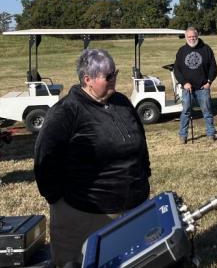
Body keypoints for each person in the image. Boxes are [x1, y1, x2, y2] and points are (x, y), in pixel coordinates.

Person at [34, 49, 150, 267]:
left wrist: (144, 175)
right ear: (88, 80)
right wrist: (59, 200)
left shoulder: (122, 101)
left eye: (115, 73)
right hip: (84, 214)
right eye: (108, 76)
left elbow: (141, 144)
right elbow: (45, 161)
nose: (114, 79)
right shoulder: (66, 111)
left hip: (133, 206)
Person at [174, 26, 217, 143]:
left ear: (197, 36)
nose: (192, 39)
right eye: (189, 37)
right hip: (187, 88)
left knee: (207, 111)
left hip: (203, 87)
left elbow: (213, 67)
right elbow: (177, 69)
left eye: (194, 36)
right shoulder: (181, 51)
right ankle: (183, 136)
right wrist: (184, 83)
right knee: (186, 112)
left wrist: (209, 82)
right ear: (185, 37)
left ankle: (211, 134)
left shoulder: (206, 49)